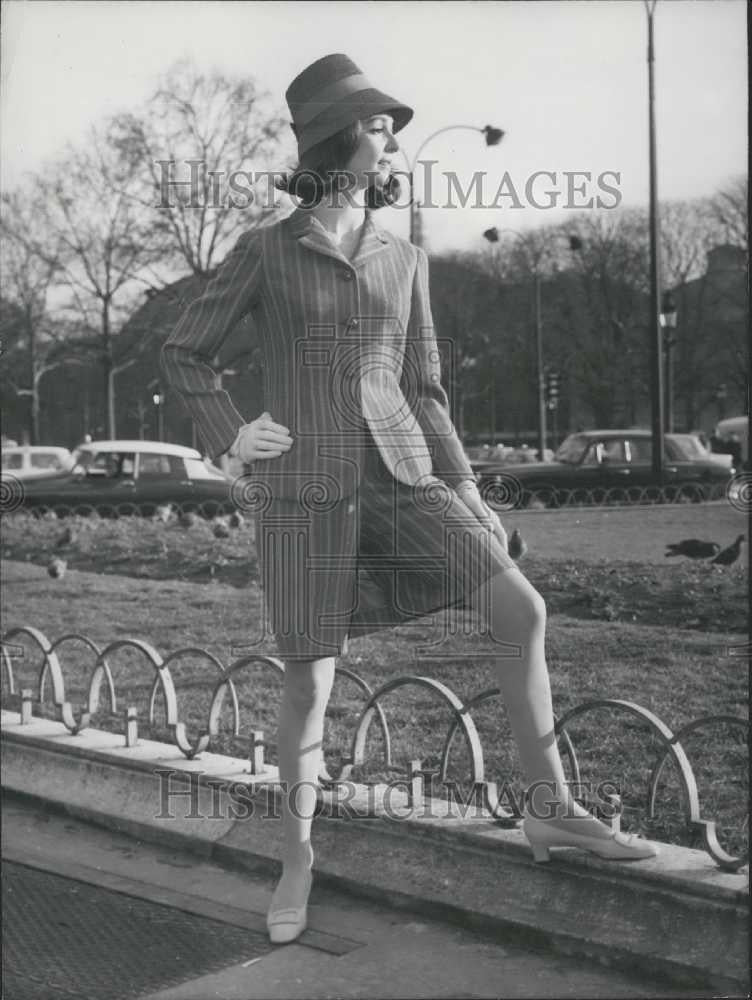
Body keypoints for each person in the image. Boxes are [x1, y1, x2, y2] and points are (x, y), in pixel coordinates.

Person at [161, 53, 657, 946]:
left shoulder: (405, 258)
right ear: (335, 139)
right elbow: (184, 353)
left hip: (403, 475)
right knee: (310, 683)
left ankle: (547, 806)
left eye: (392, 123)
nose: (392, 136)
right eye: (378, 123)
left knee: (520, 605)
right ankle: (298, 856)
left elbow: (424, 387)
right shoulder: (264, 251)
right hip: (302, 489)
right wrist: (232, 435)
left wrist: (468, 492)